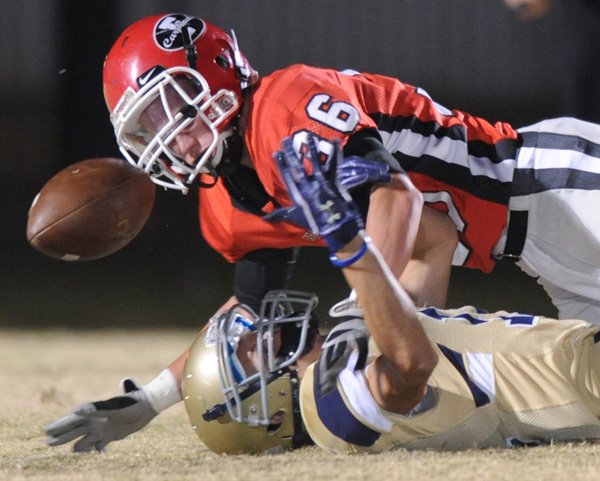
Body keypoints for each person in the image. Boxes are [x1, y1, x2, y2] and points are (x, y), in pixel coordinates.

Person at [45, 132, 600, 454]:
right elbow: (410, 367)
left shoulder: (366, 338)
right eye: (252, 347)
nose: (263, 327)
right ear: (259, 404)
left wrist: (151, 398)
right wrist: (348, 248)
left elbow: (433, 238)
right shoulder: (334, 407)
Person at [102, 12, 600, 324]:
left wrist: (370, 311)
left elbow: (392, 197)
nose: (170, 137)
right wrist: (153, 399)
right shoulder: (230, 196)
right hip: (537, 255)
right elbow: (432, 235)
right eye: (148, 126)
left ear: (215, 76)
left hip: (553, 183)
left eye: (169, 109)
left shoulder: (286, 106)